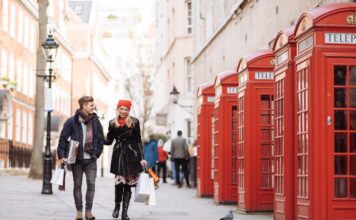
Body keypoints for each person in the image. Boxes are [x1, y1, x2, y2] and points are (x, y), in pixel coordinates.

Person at [57, 96, 104, 220]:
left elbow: (100, 139)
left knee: (91, 184)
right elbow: (63, 139)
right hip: (76, 159)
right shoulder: (72, 121)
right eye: (91, 105)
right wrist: (61, 155)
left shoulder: (95, 121)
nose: (93, 107)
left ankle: (88, 211)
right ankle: (79, 211)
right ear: (83, 105)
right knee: (77, 185)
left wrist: (97, 153)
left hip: (91, 159)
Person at [104, 99, 147, 220]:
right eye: (121, 109)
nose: (123, 111)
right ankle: (117, 206)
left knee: (128, 185)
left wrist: (142, 158)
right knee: (119, 184)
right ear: (118, 109)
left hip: (131, 155)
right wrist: (97, 138)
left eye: (126, 109)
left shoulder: (134, 122)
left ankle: (125, 212)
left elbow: (138, 140)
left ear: (129, 110)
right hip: (118, 156)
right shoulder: (112, 123)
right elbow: (109, 141)